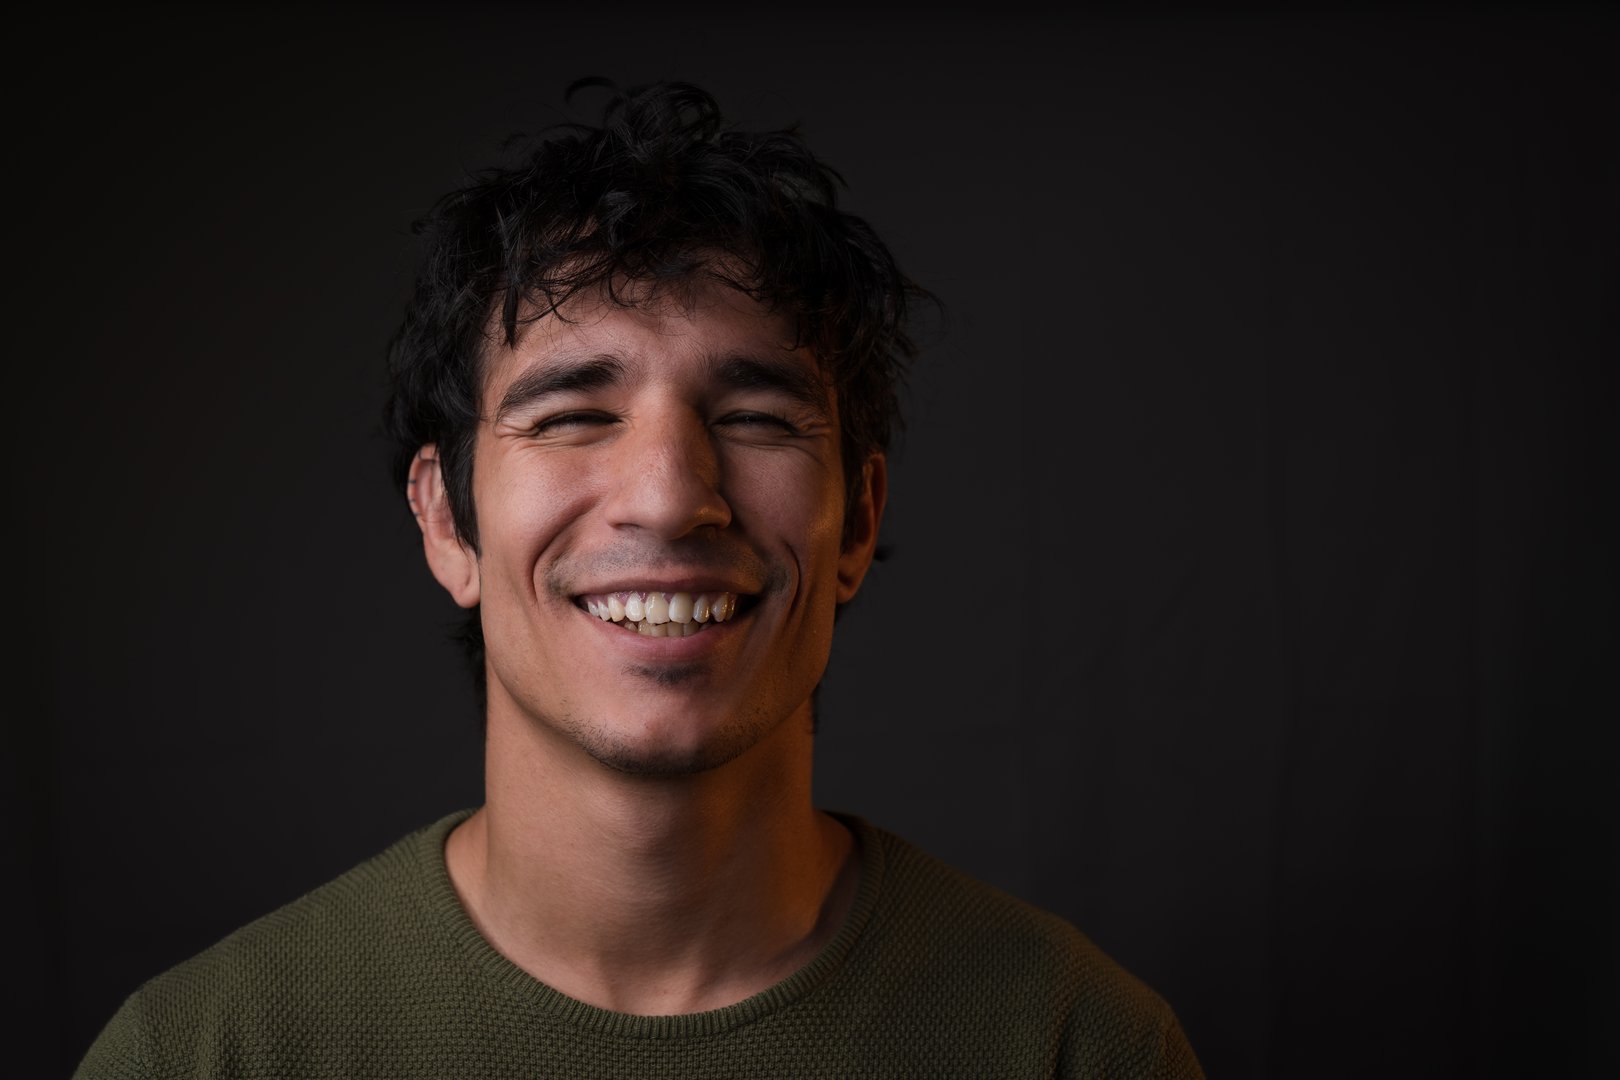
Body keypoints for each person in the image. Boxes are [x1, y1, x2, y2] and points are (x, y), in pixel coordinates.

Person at [75, 81, 1203, 1078]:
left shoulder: (1076, 1045)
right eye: (572, 417)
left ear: (858, 519)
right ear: (444, 520)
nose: (668, 495)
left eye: (756, 417)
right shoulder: (208, 1053)